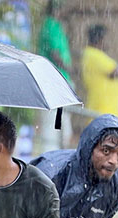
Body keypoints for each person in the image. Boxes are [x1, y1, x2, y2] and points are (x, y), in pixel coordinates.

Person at [37, 0, 74, 150]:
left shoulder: (55, 26)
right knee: (54, 125)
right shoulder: (51, 25)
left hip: (59, 82)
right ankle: (51, 157)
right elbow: (55, 53)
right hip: (54, 82)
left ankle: (58, 156)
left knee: (61, 124)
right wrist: (69, 69)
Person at [81, 24, 118, 117]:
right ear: (100, 39)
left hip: (106, 111)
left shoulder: (95, 54)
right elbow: (115, 72)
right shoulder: (93, 54)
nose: (109, 42)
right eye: (106, 38)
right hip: (102, 110)